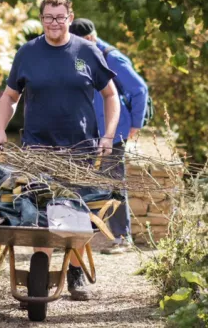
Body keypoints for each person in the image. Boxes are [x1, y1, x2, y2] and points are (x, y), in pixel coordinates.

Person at [0, 0, 120, 301]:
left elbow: (111, 95)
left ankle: (74, 273)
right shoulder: (28, 53)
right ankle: (42, 270)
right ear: (42, 18)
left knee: (76, 214)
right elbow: (10, 97)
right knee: (41, 215)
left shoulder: (87, 52)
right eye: (48, 17)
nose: (54, 23)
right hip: (38, 151)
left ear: (69, 18)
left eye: (60, 17)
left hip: (80, 150)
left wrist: (108, 136)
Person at [69, 18, 149, 254]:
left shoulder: (112, 57)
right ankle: (80, 231)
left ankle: (123, 238)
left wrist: (136, 124)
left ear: (91, 38)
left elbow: (140, 89)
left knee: (113, 181)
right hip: (89, 131)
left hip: (113, 131)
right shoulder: (80, 55)